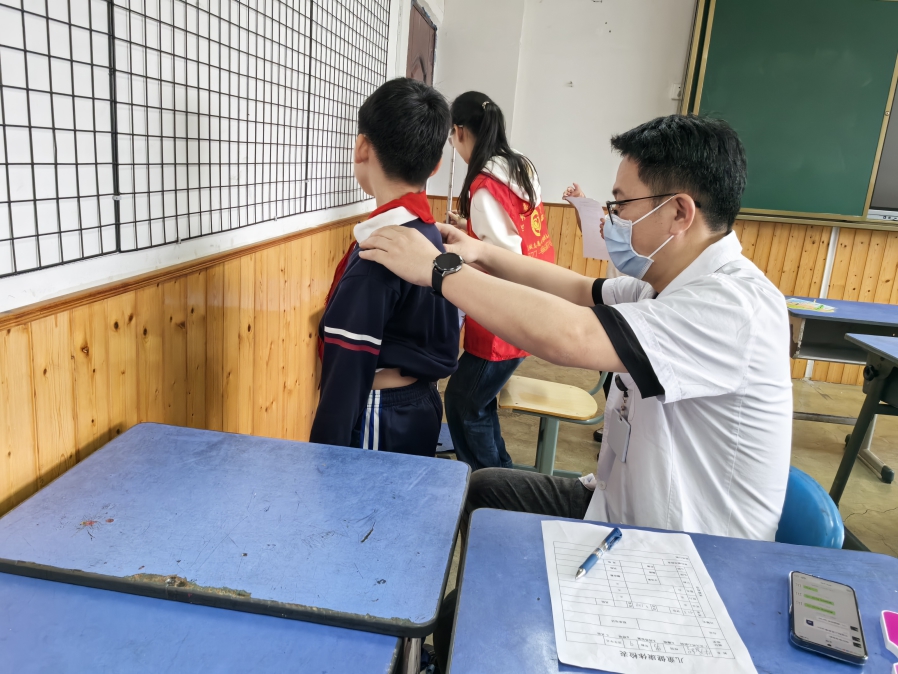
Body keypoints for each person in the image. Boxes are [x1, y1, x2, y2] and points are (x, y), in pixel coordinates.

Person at [358, 114, 792, 670]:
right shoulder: (665, 285)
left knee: (470, 618)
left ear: (679, 212)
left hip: (689, 556)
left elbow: (573, 336)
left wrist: (440, 271)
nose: (611, 220)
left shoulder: (731, 307)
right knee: (484, 491)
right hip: (622, 507)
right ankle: (465, 628)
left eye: (622, 205)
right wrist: (482, 254)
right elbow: (578, 290)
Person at [309, 78, 459, 457]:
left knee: (356, 495)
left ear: (362, 146)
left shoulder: (380, 253)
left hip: (381, 413)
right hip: (418, 403)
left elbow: (346, 376)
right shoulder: (426, 233)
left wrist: (321, 460)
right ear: (436, 165)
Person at [442, 91, 555, 471]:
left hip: (505, 311)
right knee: (480, 400)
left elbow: (502, 260)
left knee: (464, 403)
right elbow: (513, 232)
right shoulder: (518, 165)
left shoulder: (485, 184)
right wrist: (470, 228)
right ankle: (501, 475)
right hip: (535, 295)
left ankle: (489, 487)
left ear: (459, 131)